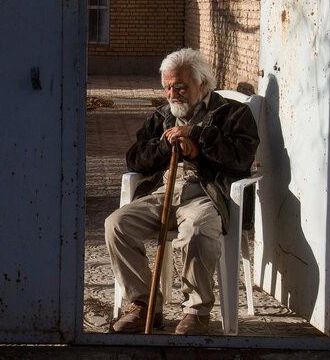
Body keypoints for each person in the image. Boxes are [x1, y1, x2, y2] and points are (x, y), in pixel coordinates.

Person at [105, 48, 259, 335]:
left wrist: (198, 141)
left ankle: (196, 311)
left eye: (180, 87)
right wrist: (166, 146)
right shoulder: (163, 116)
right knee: (116, 225)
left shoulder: (233, 113)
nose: (172, 94)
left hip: (208, 194)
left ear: (202, 83)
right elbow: (134, 157)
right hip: (165, 191)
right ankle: (144, 305)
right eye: (167, 87)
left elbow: (241, 157)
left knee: (197, 230)